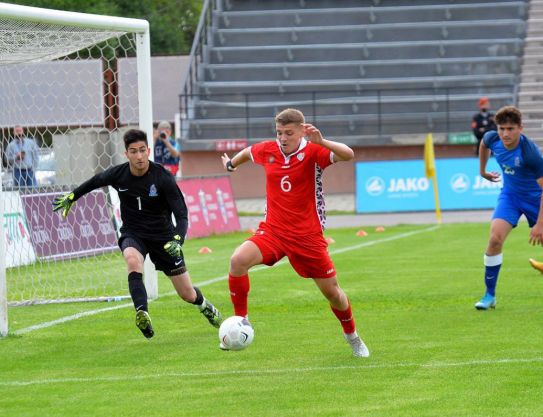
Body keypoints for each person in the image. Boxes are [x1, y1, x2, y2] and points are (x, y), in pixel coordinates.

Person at [220, 108, 369, 357]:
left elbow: (348, 154)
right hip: (273, 231)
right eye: (279, 133)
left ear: (302, 130)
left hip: (307, 236)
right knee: (238, 260)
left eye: (289, 133)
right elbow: (248, 152)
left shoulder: (313, 152)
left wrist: (322, 141)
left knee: (333, 293)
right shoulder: (268, 149)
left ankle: (352, 336)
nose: (283, 138)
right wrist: (231, 164)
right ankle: (241, 321)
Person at [52, 129, 222, 338]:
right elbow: (96, 181)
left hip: (164, 238)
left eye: (142, 150)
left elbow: (182, 215)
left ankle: (204, 305)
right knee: (133, 261)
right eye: (134, 151)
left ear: (148, 150)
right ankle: (142, 312)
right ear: (127, 154)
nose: (139, 156)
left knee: (187, 294)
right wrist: (72, 196)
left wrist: (178, 239)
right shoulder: (119, 174)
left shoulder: (163, 178)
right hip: (134, 233)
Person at [475, 106, 543, 310]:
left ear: (520, 129)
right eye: (502, 128)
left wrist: (539, 225)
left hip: (535, 198)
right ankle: (489, 295)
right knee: (495, 239)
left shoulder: (530, 153)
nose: (505, 133)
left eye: (510, 129)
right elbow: (483, 144)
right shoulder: (492, 138)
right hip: (511, 197)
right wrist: (483, 171)